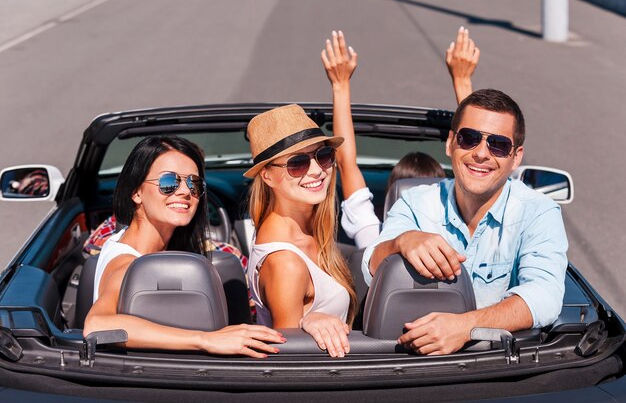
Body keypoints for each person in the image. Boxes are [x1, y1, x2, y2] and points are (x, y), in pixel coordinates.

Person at [361, 89, 568, 355]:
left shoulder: (539, 212)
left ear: (516, 157)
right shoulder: (414, 202)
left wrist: (465, 327)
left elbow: (545, 297)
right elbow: (371, 266)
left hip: (494, 365)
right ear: (450, 143)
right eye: (469, 138)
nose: (481, 154)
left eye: (498, 144)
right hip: (406, 360)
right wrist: (402, 242)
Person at [83, 136, 284, 358]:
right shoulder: (127, 264)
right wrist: (205, 339)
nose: (185, 191)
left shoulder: (122, 240)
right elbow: (97, 325)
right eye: (168, 182)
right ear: (136, 192)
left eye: (194, 184)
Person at [320, 28, 477, 248]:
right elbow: (477, 162)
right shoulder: (464, 238)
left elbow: (346, 164)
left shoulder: (375, 238)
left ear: (392, 198)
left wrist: (340, 85)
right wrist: (462, 81)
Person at [245, 104, 357, 358]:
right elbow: (288, 361)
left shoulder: (306, 232)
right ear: (267, 176)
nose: (317, 170)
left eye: (323, 155)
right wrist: (306, 322)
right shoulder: (286, 263)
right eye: (297, 163)